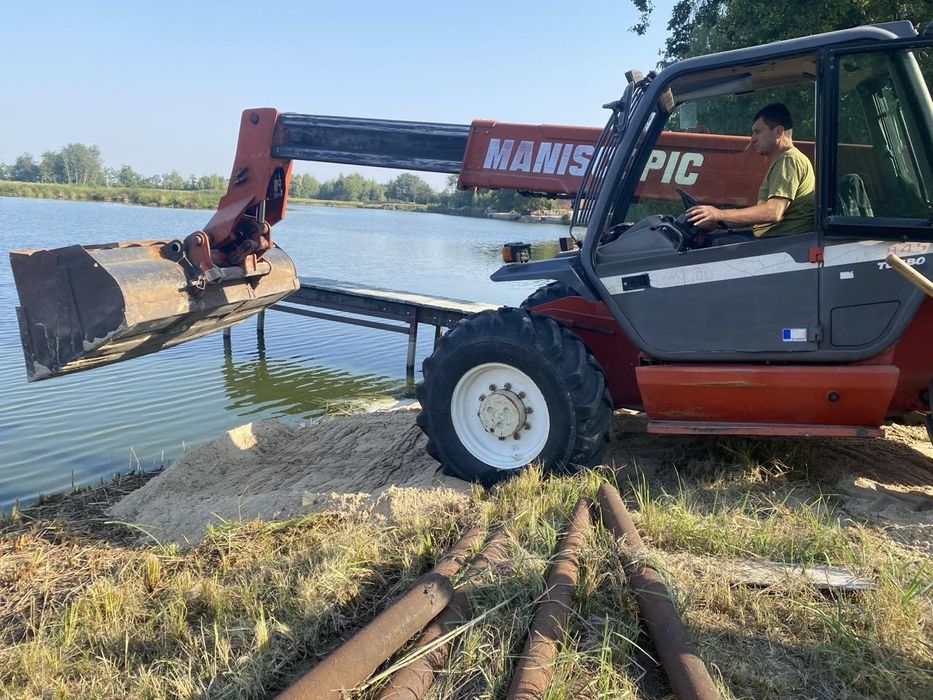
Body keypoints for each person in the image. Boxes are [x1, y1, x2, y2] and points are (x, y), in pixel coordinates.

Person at [686, 103, 815, 239]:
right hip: (773, 239)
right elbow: (760, 216)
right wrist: (716, 222)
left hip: (779, 242)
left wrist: (719, 214)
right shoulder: (784, 160)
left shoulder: (789, 160)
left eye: (758, 132)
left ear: (778, 132)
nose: (752, 139)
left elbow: (773, 212)